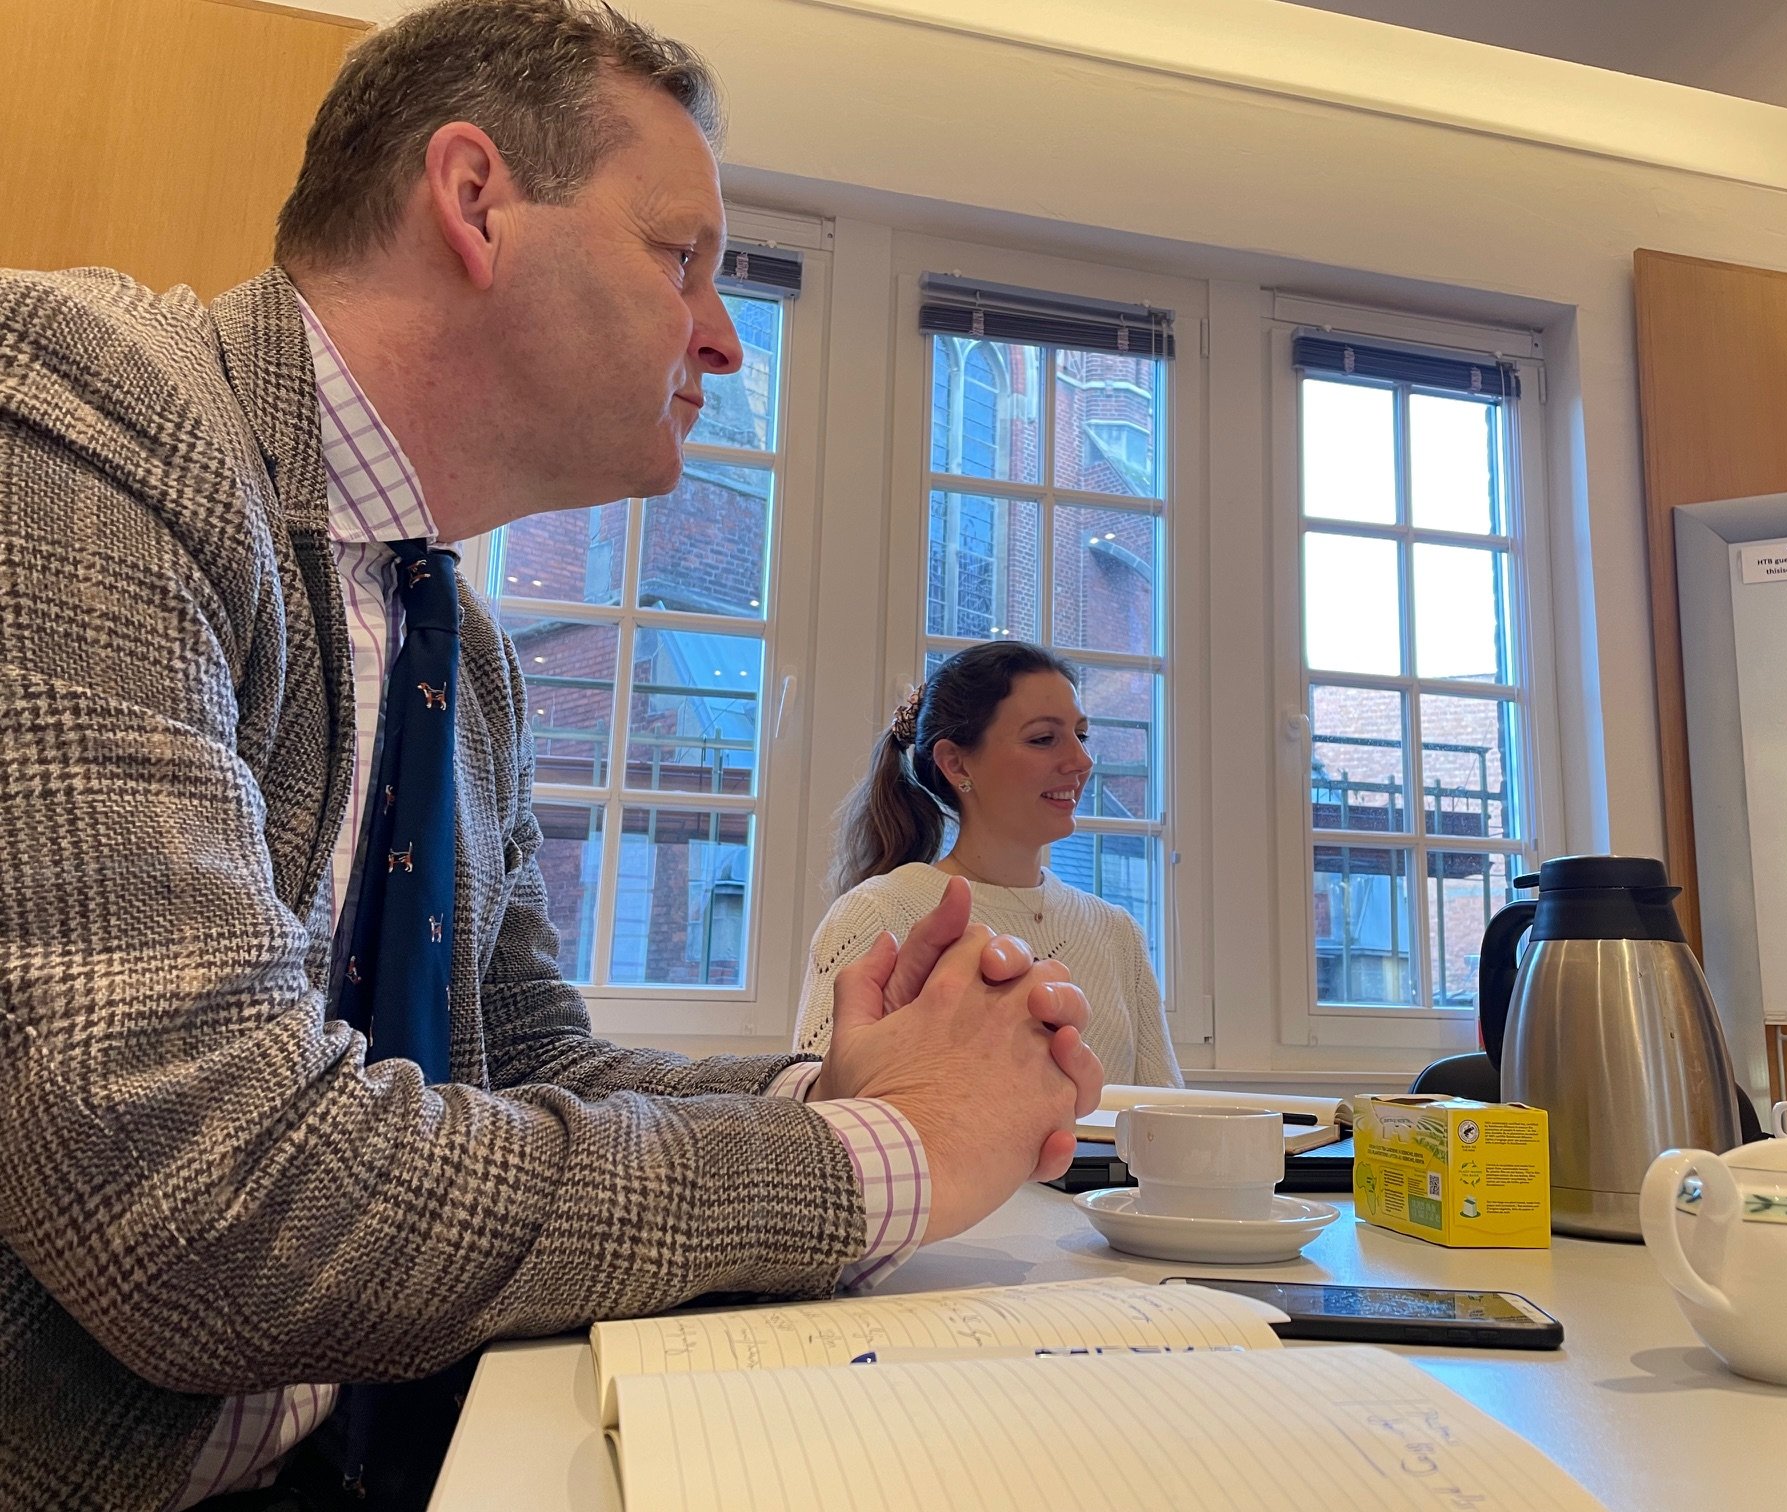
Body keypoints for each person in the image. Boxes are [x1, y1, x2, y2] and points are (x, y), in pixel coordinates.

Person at [0, 3, 1103, 1509]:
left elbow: (527, 1063)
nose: (722, 338)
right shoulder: (81, 413)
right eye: (679, 257)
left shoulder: (467, 652)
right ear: (475, 201)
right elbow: (207, 1206)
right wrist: (882, 1154)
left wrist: (832, 1091)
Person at [796, 640, 1183, 1087]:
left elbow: (1165, 1113)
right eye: (1043, 739)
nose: (1082, 761)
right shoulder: (875, 914)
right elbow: (810, 1115)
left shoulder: (1119, 935)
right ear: (956, 763)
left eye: (1081, 736)